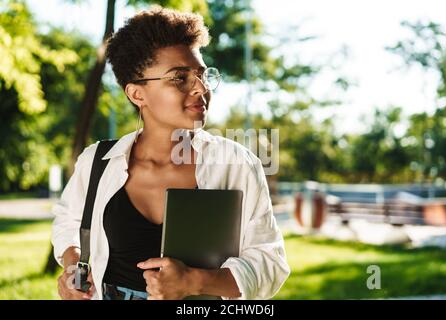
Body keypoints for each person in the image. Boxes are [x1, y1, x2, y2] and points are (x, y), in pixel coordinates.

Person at [52, 5, 290, 300]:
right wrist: (73, 265)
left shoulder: (237, 165)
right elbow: (68, 222)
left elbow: (270, 262)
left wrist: (195, 282)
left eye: (202, 75)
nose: (200, 88)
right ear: (137, 94)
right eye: (180, 78)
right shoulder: (96, 161)